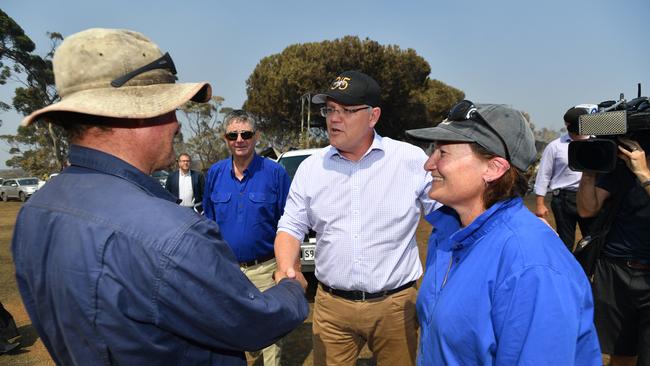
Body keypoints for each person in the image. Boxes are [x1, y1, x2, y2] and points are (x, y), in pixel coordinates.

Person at [12, 28, 308, 366]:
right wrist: (292, 289)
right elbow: (252, 323)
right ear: (138, 112)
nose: (177, 125)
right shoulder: (172, 234)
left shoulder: (35, 211)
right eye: (170, 110)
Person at [405, 101, 601, 365]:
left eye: (443, 153)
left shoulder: (532, 267)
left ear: (494, 168)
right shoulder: (447, 236)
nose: (429, 164)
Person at [274, 70, 436, 366]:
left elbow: (447, 219)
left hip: (396, 307)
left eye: (346, 110)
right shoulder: (311, 169)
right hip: (332, 308)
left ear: (373, 116)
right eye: (330, 110)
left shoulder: (411, 161)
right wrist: (287, 268)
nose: (334, 119)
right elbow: (290, 226)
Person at [203, 110, 291, 366]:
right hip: (228, 272)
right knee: (232, 331)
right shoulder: (215, 174)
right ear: (225, 138)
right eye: (233, 134)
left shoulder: (275, 174)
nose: (239, 139)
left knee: (271, 333)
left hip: (266, 269)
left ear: (256, 137)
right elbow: (209, 222)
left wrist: (285, 267)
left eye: (246, 134)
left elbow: (289, 223)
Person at [577, 134, 650, 366]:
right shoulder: (621, 169)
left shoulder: (638, 170)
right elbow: (587, 210)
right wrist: (588, 173)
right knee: (619, 354)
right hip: (614, 271)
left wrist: (644, 175)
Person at [534, 105, 595, 249]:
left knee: (591, 240)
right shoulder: (555, 146)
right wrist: (539, 204)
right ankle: (567, 270)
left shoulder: (597, 144)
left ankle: (587, 271)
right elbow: (544, 174)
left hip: (591, 196)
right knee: (565, 242)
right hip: (563, 199)